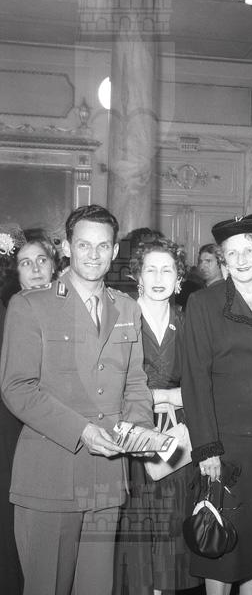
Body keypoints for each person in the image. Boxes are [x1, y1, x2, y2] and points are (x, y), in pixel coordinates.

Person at [0, 204, 154, 595]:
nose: (93, 254)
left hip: (106, 479)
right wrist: (82, 430)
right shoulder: (30, 305)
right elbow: (17, 387)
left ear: (114, 251)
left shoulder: (127, 307)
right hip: (49, 477)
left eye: (103, 246)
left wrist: (139, 427)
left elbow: (136, 381)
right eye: (84, 245)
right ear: (67, 247)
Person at [181, 214, 252, 595]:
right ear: (223, 259)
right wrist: (207, 448)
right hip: (227, 447)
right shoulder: (205, 303)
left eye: (249, 249)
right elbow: (195, 380)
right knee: (221, 542)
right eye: (232, 253)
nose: (242, 259)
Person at [114, 237, 202, 595]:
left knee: (172, 524)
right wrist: (149, 398)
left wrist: (169, 395)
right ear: (138, 276)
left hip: (177, 438)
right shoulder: (120, 317)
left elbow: (205, 381)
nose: (158, 278)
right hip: (131, 434)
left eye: (167, 270)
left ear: (179, 279)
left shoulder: (189, 321)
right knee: (136, 526)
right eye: (150, 269)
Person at [0, 224, 59, 595]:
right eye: (26, 263)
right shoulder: (10, 313)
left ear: (54, 265)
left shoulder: (73, 309)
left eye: (41, 261)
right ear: (16, 272)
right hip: (14, 426)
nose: (36, 269)